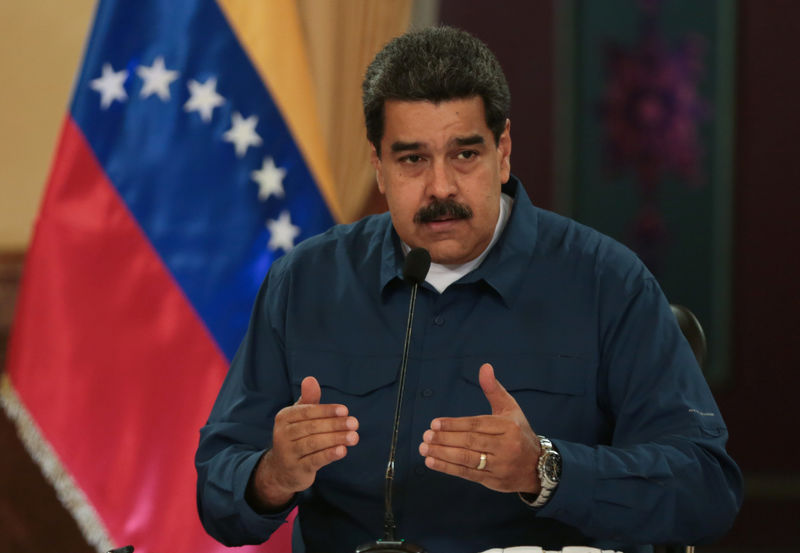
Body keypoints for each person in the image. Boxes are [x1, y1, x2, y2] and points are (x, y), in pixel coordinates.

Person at [195, 26, 742, 553]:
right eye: (412, 159)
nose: (440, 187)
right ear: (378, 166)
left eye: (465, 154)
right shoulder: (306, 281)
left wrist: (545, 470)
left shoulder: (608, 281)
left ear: (503, 151)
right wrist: (272, 475)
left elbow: (705, 489)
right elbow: (217, 496)